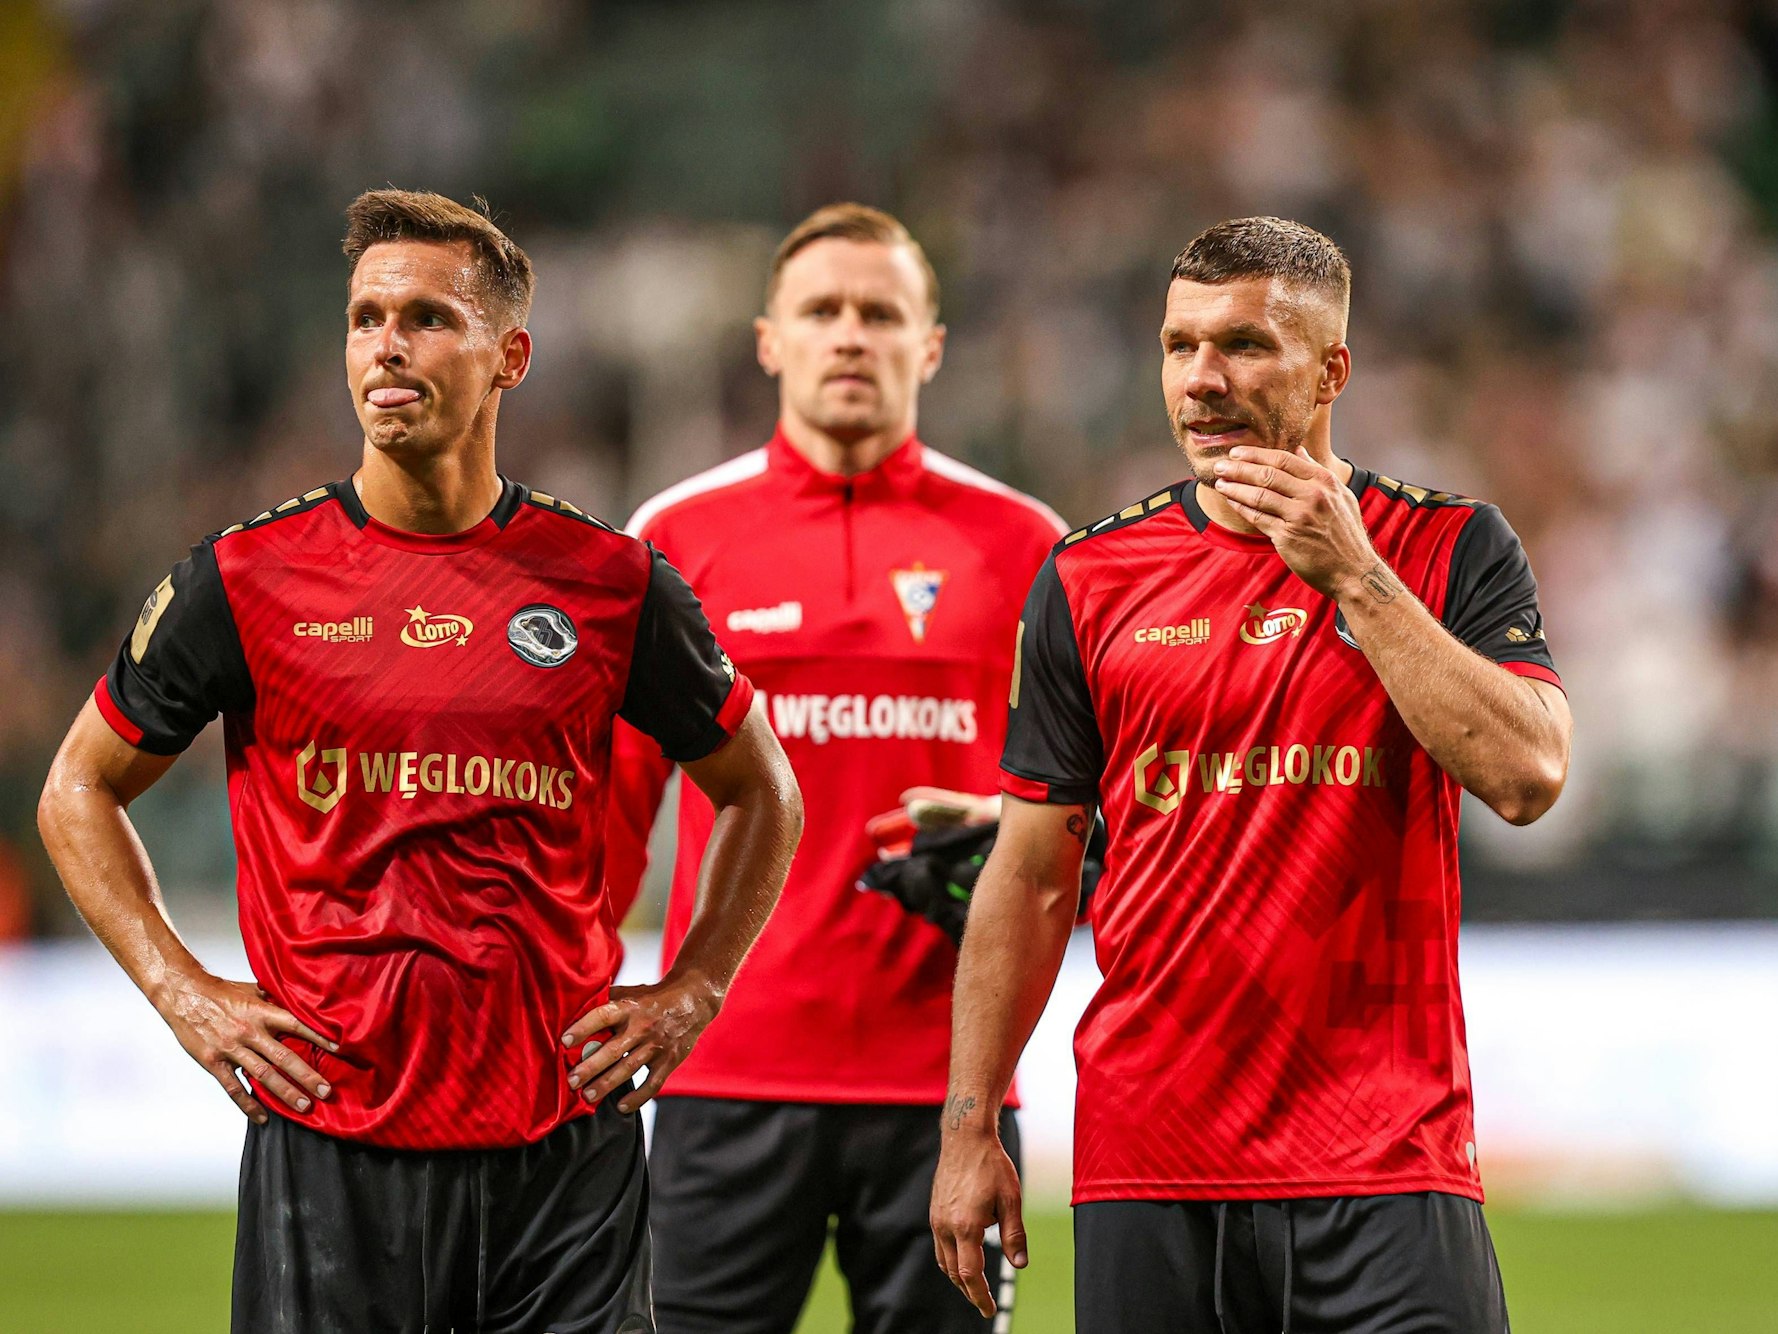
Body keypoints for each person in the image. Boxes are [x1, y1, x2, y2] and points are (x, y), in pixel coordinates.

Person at [37, 189, 803, 1334]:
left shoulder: (611, 583)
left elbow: (762, 788)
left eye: (428, 317)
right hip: (332, 1146)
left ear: (511, 356)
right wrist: (182, 993)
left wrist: (695, 988)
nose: (385, 344)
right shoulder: (246, 577)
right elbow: (76, 788)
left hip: (564, 1150)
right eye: (364, 316)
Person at [930, 216, 1573, 1333]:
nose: (1201, 380)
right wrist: (967, 1126)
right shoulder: (1087, 578)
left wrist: (1353, 578)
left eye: (1241, 345)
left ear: (1332, 370)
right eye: (1179, 346)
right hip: (1152, 1157)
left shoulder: (1444, 545)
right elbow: (1032, 874)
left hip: (1388, 1155)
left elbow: (1526, 773)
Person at [604, 203, 1065, 1334]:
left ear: (930, 344)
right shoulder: (672, 538)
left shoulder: (1027, 547)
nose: (849, 335)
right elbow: (605, 819)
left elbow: (1079, 811)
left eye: (879, 313)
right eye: (822, 311)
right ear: (770, 339)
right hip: (722, 1067)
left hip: (948, 1089)